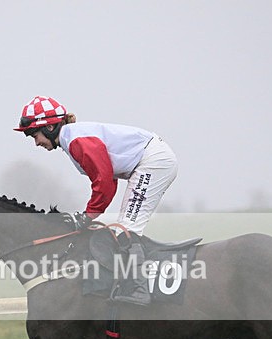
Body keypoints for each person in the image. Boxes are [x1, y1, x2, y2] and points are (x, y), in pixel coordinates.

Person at [14, 95, 178, 305]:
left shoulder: (76, 141)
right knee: (124, 228)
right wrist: (89, 214)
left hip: (153, 162)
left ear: (50, 128)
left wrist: (87, 216)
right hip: (151, 160)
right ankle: (133, 283)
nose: (36, 143)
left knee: (126, 229)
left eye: (34, 135)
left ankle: (139, 288)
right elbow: (107, 179)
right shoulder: (72, 138)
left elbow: (105, 183)